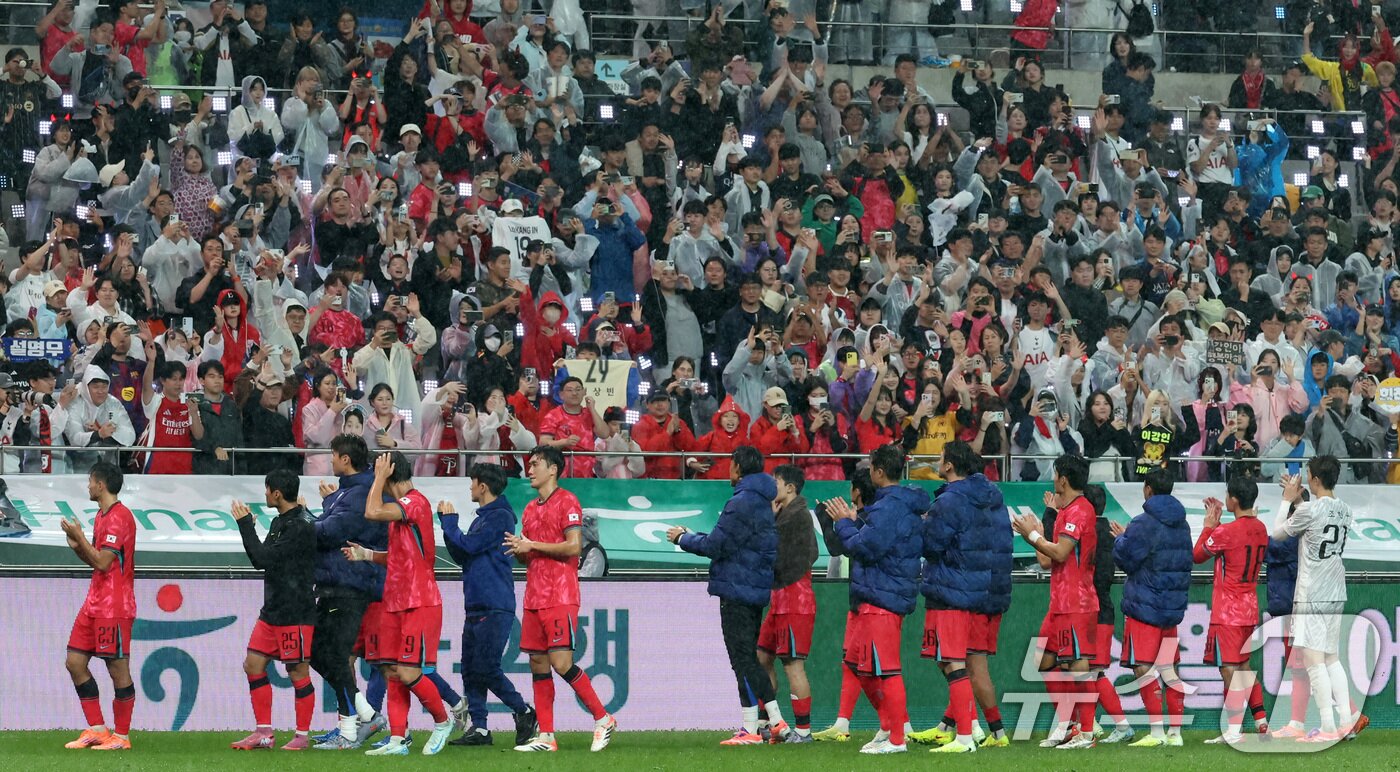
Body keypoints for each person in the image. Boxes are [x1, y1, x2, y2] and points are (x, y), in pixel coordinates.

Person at [667, 446, 786, 744]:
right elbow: (729, 542)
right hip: (753, 587)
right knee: (743, 659)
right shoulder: (761, 501)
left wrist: (682, 538)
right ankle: (752, 726)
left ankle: (776, 721)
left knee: (743, 659)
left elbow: (715, 546)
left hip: (736, 588)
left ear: (737, 467)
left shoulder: (741, 502)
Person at [504, 446, 618, 752]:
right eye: (528, 465)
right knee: (538, 664)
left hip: (560, 594)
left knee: (561, 662)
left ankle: (603, 716)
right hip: (533, 596)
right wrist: (520, 551)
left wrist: (532, 545)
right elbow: (531, 556)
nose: (529, 470)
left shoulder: (568, 501)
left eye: (535, 464)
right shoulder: (528, 509)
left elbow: (573, 547)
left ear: (553, 469)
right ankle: (547, 736)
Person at [342, 451, 455, 756]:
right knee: (392, 671)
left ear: (389, 471)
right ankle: (397, 739)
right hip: (396, 600)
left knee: (408, 672)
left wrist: (378, 478)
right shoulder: (401, 513)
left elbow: (372, 512)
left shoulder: (415, 502)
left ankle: (443, 721)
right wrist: (367, 555)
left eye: (378, 470)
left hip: (419, 600)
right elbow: (398, 558)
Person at [820, 443, 927, 755]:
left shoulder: (888, 508)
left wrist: (843, 522)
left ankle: (897, 740)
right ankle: (887, 726)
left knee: (887, 670)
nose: (868, 471)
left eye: (870, 467)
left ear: (879, 472)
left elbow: (865, 548)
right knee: (857, 665)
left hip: (883, 596)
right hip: (880, 592)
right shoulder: (898, 506)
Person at [915, 441, 1014, 752]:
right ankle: (955, 726)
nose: (938, 461)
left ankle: (980, 733)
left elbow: (932, 546)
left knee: (963, 663)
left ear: (949, 466)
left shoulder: (954, 501)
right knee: (958, 661)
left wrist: (923, 527)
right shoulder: (987, 498)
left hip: (961, 590)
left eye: (941, 458)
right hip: (981, 588)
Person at [438, 463, 538, 748]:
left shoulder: (500, 517)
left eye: (472, 482)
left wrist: (450, 522)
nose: (470, 487)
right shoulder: (485, 517)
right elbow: (463, 554)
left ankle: (523, 710)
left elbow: (469, 546)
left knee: (485, 666)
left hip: (494, 602)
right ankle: (480, 729)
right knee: (470, 668)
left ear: (483, 486)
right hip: (479, 603)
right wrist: (448, 525)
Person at [1274, 456, 1367, 741]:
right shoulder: (1345, 510)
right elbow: (1315, 520)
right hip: (1335, 590)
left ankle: (1327, 727)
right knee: (1331, 658)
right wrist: (1300, 501)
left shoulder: (1310, 511)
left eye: (1308, 475)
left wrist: (1286, 501)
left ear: (1314, 479)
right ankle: (1347, 719)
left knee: (1314, 661)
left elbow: (1278, 533)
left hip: (1311, 593)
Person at [1011, 455, 1098, 749]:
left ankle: (1086, 732)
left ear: (1063, 479)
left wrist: (1033, 534)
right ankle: (1068, 723)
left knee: (1078, 665)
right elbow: (1048, 560)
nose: (1053, 479)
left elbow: (1060, 553)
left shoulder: (1080, 511)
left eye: (1055, 473)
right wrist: (1033, 535)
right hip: (1059, 602)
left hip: (1076, 600)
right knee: (1045, 661)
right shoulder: (1064, 511)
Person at [229, 469, 317, 751]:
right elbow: (263, 558)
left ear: (277, 493)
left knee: (297, 671)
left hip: (295, 612)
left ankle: (302, 736)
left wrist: (244, 525)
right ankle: (264, 733)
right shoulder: (281, 523)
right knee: (252, 665)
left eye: (267, 490)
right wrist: (250, 529)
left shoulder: (299, 527)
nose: (265, 494)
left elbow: (262, 559)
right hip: (273, 611)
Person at [308, 435, 385, 750]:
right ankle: (366, 714)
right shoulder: (349, 492)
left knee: (336, 657)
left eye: (333, 455)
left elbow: (330, 531)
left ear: (345, 459)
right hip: (336, 581)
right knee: (318, 652)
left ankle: (349, 731)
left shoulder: (358, 494)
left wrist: (297, 522)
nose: (330, 460)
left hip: (349, 583)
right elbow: (331, 525)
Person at [1110, 469, 1193, 747]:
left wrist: (1121, 539)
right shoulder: (1183, 524)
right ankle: (1175, 733)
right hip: (1171, 609)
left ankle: (1156, 732)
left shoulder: (1143, 523)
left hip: (1145, 607)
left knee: (1144, 668)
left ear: (1147, 489)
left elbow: (1126, 557)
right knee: (1169, 669)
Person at [59, 462, 137, 751]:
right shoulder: (100, 517)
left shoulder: (120, 517)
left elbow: (105, 562)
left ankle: (122, 737)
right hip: (94, 602)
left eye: (90, 481)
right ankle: (97, 728)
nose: (88, 486)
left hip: (114, 606)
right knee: (74, 662)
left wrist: (80, 539)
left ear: (101, 485)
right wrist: (78, 546)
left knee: (117, 669)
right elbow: (96, 561)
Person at [1195, 478, 1271, 744]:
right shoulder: (1261, 528)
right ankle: (1261, 723)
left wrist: (1208, 527)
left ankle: (1234, 731)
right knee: (1243, 667)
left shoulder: (1227, 532)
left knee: (1228, 669)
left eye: (1227, 495)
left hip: (1228, 610)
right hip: (1249, 607)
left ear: (1234, 500)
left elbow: (1198, 555)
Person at [752, 464, 818, 743]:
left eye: (776, 481)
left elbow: (781, 555)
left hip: (794, 600)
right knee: (762, 658)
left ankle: (803, 731)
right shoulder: (787, 515)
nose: (772, 486)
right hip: (780, 599)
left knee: (793, 666)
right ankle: (768, 722)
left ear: (790, 487)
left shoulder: (797, 517)